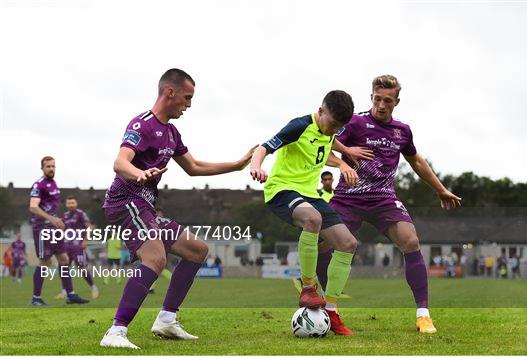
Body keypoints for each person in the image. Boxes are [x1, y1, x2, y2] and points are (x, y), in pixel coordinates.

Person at [99, 68, 255, 349]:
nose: (189, 105)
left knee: (197, 250)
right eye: (187, 97)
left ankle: (166, 320)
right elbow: (120, 162)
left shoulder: (171, 133)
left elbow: (193, 167)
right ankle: (115, 332)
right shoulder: (142, 125)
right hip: (125, 203)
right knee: (156, 258)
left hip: (144, 206)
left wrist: (236, 165)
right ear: (169, 92)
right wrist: (139, 173)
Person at [317, 75, 462, 334]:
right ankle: (330, 307)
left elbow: (417, 162)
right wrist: (342, 162)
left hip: (383, 198)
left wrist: (441, 190)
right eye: (377, 99)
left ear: (396, 101)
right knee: (324, 245)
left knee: (411, 241)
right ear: (371, 96)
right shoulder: (354, 123)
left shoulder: (402, 131)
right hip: (348, 198)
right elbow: (321, 146)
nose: (381, 105)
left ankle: (423, 315)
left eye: (387, 100)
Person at [250, 90, 359, 335]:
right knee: (313, 219)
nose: (334, 131)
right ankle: (308, 287)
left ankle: (331, 309)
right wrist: (256, 166)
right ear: (320, 112)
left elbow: (327, 143)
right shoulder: (299, 126)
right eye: (332, 124)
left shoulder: (329, 130)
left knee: (348, 243)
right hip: (281, 190)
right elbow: (264, 147)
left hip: (310, 194)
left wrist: (345, 156)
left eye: (339, 128)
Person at [29, 156, 89, 306]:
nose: (51, 169)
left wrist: (57, 221)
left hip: (54, 229)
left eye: (53, 166)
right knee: (45, 261)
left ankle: (71, 294)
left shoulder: (54, 184)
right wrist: (52, 219)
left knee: (63, 259)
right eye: (48, 166)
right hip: (42, 228)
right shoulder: (39, 185)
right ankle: (36, 298)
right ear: (42, 168)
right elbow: (33, 206)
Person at [55, 196, 98, 299]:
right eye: (69, 203)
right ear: (66, 204)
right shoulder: (65, 215)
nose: (71, 205)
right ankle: (65, 291)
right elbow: (62, 229)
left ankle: (93, 287)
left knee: (81, 267)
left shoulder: (80, 214)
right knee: (63, 267)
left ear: (76, 203)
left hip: (78, 245)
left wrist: (85, 240)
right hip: (67, 245)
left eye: (72, 203)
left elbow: (89, 227)